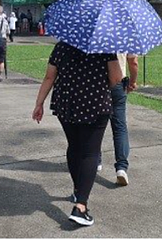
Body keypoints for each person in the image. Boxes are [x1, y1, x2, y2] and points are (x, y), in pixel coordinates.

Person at [32, 42, 122, 227]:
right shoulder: (105, 46)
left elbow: (50, 77)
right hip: (96, 104)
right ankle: (81, 206)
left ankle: (77, 190)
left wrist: (39, 103)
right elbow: (115, 80)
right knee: (90, 152)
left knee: (74, 147)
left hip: (67, 104)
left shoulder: (62, 46)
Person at [97, 53, 138, 186]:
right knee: (120, 127)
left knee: (96, 125)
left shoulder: (94, 33)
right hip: (119, 82)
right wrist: (132, 81)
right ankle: (121, 167)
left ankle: (96, 160)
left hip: (97, 83)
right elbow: (133, 62)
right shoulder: (125, 34)